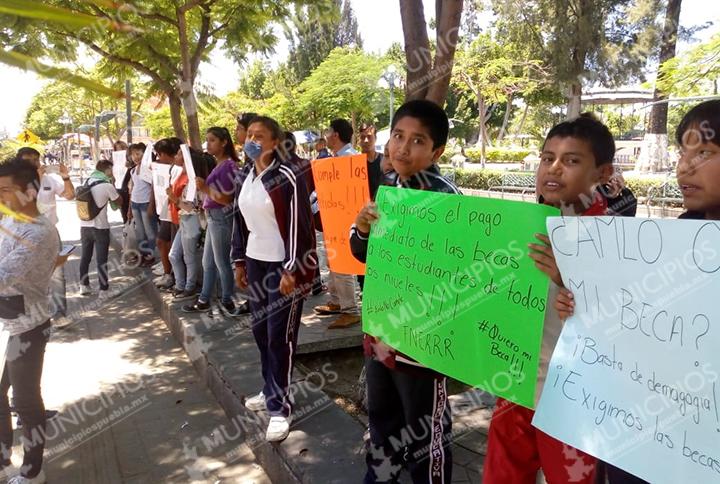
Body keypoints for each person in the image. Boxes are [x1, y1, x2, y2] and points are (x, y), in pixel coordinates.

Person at [556, 100, 720, 484]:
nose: (683, 166)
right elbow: (643, 320)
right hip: (641, 438)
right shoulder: (680, 236)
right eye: (683, 152)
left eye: (705, 153)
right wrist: (584, 304)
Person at [482, 114, 615, 484]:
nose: (553, 168)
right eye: (546, 158)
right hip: (515, 384)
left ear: (602, 173)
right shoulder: (523, 225)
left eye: (571, 161)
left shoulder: (620, 243)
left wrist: (568, 277)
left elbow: (629, 328)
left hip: (578, 403)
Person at [350, 100, 458, 483]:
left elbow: (462, 271)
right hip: (381, 333)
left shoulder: (447, 200)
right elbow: (360, 254)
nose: (402, 148)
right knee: (382, 422)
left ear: (436, 151)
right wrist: (362, 228)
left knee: (426, 434)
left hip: (423, 345)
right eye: (397, 136)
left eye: (417, 141)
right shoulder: (388, 190)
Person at [232, 116, 317, 442]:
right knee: (259, 331)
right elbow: (239, 221)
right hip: (255, 262)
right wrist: (238, 261)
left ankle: (280, 408)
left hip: (283, 267)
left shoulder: (287, 176)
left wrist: (291, 268)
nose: (251, 140)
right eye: (249, 134)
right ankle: (269, 388)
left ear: (274, 142)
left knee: (279, 335)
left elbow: (300, 224)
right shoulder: (245, 175)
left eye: (259, 135)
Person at [0, 157, 61, 484]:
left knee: (25, 400)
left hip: (29, 325)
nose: (1, 197)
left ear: (29, 191)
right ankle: (3, 459)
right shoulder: (13, 222)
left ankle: (33, 471)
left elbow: (3, 275)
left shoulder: (38, 233)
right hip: (13, 323)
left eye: (6, 191)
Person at [182, 127, 246, 316]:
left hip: (220, 217)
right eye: (207, 140)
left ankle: (227, 300)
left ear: (223, 142)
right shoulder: (220, 164)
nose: (208, 144)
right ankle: (204, 300)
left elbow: (227, 199)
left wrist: (206, 189)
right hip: (213, 217)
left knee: (221, 262)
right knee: (208, 262)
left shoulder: (229, 166)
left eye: (212, 140)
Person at [313, 119, 361, 328]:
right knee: (333, 262)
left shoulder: (351, 159)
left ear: (336, 134)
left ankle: (350, 309)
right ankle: (336, 301)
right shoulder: (337, 158)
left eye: (329, 131)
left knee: (342, 266)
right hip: (332, 217)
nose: (326, 135)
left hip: (345, 220)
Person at [168, 148, 213, 301]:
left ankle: (189, 287)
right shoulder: (190, 182)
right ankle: (181, 285)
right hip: (185, 221)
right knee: (174, 255)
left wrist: (174, 198)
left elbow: (193, 207)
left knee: (188, 256)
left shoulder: (198, 184)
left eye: (187, 163)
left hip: (192, 222)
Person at [78, 159, 123, 296]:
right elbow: (118, 203)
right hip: (100, 226)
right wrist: (114, 184)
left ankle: (84, 285)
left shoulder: (87, 182)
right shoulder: (107, 185)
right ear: (108, 169)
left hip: (84, 225)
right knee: (101, 259)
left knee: (85, 256)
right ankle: (103, 289)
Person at [152, 138, 184, 290]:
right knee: (162, 241)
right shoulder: (164, 168)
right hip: (167, 210)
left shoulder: (180, 169)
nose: (158, 158)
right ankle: (168, 274)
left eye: (159, 154)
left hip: (178, 213)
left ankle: (177, 278)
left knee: (173, 246)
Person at [17, 147, 75, 226]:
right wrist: (38, 179)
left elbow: (70, 196)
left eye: (35, 160)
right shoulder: (13, 181)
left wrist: (66, 178)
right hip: (25, 229)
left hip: (49, 228)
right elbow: (20, 201)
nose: (33, 163)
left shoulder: (49, 179)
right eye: (27, 161)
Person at [126, 142, 157, 266]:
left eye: (138, 154)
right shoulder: (132, 170)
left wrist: (151, 205)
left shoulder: (149, 169)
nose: (135, 157)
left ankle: (150, 255)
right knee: (140, 231)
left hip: (146, 203)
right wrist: (129, 209)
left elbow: (153, 188)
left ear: (145, 154)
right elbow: (132, 190)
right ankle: (142, 254)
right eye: (133, 155)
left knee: (150, 231)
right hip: (135, 203)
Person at [358, 123, 385, 200]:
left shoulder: (385, 160)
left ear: (375, 138)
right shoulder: (354, 164)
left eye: (369, 137)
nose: (366, 141)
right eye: (362, 137)